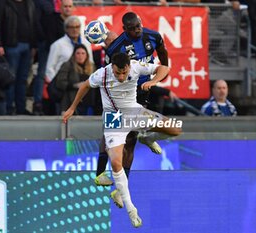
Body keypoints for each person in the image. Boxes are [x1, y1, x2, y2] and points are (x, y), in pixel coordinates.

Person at [63, 52, 182, 227]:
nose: (121, 76)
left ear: (128, 67)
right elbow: (85, 86)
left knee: (175, 129)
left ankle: (147, 138)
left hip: (135, 112)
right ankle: (131, 209)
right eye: (118, 73)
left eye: (124, 73)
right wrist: (72, 108)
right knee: (116, 162)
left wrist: (154, 81)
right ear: (112, 67)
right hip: (114, 118)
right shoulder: (102, 74)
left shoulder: (135, 66)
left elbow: (164, 68)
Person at [95, 12, 169, 197]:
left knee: (131, 140)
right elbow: (108, 75)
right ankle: (100, 172)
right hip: (121, 94)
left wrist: (162, 73)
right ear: (124, 29)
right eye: (133, 28)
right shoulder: (115, 49)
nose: (137, 30)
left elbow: (162, 53)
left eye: (139, 25)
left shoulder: (153, 36)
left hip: (142, 91)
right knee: (111, 130)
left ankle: (122, 188)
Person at [0, 0, 36, 115]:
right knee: (11, 78)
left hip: (27, 46)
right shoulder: (4, 3)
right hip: (11, 45)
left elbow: (33, 23)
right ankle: (9, 108)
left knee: (22, 80)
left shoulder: (30, 3)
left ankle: (21, 108)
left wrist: (33, 45)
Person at [55, 44, 101, 114]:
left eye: (83, 53)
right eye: (78, 53)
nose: (80, 56)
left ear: (87, 55)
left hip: (90, 103)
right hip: (72, 102)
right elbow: (60, 82)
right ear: (74, 55)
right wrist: (75, 85)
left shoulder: (92, 67)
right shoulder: (67, 65)